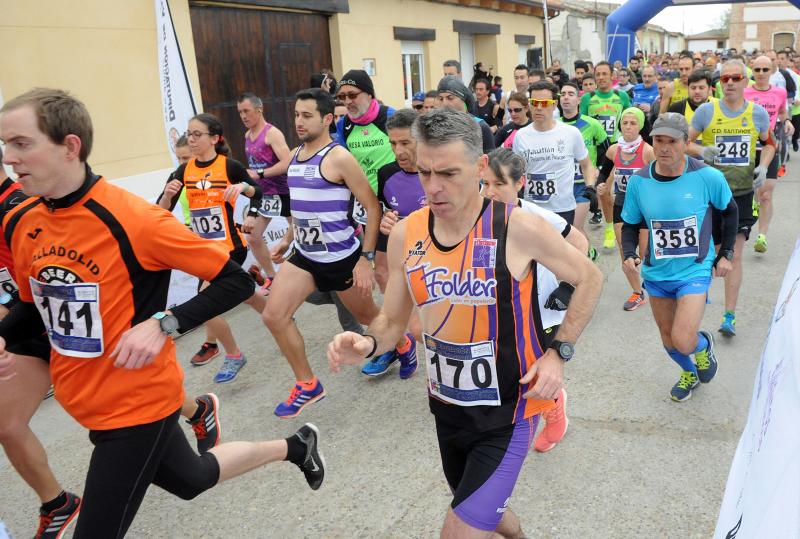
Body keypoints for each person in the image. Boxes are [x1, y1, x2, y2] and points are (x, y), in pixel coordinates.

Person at [0, 88, 326, 538]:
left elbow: (236, 281)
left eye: (21, 144)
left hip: (136, 404)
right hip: (87, 402)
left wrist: (165, 324)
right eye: (5, 145)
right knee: (191, 480)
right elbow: (35, 303)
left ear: (69, 145)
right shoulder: (19, 221)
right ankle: (296, 446)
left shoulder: (135, 220)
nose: (9, 158)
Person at [327, 108, 603, 539]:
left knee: (458, 531)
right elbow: (392, 320)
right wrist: (366, 343)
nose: (433, 187)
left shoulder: (517, 227)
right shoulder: (406, 234)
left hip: (510, 410)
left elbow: (590, 276)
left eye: (449, 174)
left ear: (478, 168)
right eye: (424, 173)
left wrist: (558, 352)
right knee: (472, 505)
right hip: (448, 408)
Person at [264, 88, 415, 418]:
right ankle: (307, 385)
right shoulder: (295, 156)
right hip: (305, 255)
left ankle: (402, 343)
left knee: (368, 317)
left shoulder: (338, 158)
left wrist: (366, 256)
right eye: (296, 115)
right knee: (273, 315)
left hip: (341, 257)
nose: (299, 122)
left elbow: (372, 208)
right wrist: (289, 237)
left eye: (307, 115)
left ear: (327, 119)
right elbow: (302, 206)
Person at [480, 147, 589, 453]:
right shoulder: (477, 214)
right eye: (485, 184)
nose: (490, 192)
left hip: (541, 311)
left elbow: (580, 243)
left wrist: (566, 288)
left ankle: (555, 415)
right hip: (499, 306)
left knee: (534, 376)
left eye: (499, 184)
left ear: (520, 183)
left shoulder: (539, 218)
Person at [621, 113, 734, 401]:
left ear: (685, 143)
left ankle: (702, 346)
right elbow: (631, 224)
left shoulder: (708, 176)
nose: (665, 148)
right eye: (659, 140)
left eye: (672, 141)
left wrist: (726, 253)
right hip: (657, 274)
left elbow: (730, 211)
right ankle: (688, 373)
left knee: (684, 339)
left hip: (694, 270)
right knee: (669, 340)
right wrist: (631, 252)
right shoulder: (639, 181)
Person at [157, 113, 267, 383]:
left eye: (197, 135)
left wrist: (250, 211)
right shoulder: (184, 171)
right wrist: (168, 195)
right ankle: (277, 316)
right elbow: (160, 211)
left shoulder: (229, 166)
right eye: (189, 134)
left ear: (214, 139)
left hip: (230, 246)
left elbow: (258, 192)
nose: (191, 140)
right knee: (242, 291)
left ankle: (233, 355)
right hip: (202, 247)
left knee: (207, 302)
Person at [687, 59, 775, 336]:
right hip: (710, 196)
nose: (730, 83)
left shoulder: (757, 113)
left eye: (736, 77)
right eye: (724, 79)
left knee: (734, 256)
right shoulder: (706, 112)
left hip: (741, 194)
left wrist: (763, 165)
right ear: (719, 83)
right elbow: (683, 142)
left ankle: (729, 316)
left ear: (745, 81)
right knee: (708, 255)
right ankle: (695, 309)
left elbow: (770, 144)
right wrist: (702, 152)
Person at [363, 108, 427, 375]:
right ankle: (397, 344)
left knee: (425, 323)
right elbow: (387, 210)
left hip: (432, 248)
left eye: (405, 143)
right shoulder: (387, 173)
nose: (398, 150)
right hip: (400, 244)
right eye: (392, 143)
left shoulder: (435, 170)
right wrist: (387, 223)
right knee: (382, 275)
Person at [513, 81, 598, 225]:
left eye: (545, 103)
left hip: (563, 209)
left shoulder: (571, 133)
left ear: (554, 104)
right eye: (534, 102)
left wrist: (590, 187)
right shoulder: (521, 136)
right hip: (532, 208)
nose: (539, 108)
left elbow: (586, 164)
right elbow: (516, 172)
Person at [596, 107, 655, 311]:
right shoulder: (614, 150)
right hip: (622, 204)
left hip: (645, 207)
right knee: (626, 251)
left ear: (640, 126)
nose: (628, 127)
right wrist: (601, 184)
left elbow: (661, 177)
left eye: (633, 123)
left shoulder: (648, 151)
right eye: (625, 123)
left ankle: (651, 280)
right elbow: (603, 172)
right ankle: (638, 293)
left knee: (645, 250)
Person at [236, 92, 291, 293]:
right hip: (265, 195)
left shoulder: (272, 134)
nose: (243, 116)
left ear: (259, 110)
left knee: (299, 232)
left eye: (246, 111)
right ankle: (272, 277)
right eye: (240, 112)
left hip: (284, 191)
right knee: (251, 236)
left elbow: (287, 163)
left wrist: (259, 173)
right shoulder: (247, 136)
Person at [744, 55, 794, 254]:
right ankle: (753, 202)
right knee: (751, 191)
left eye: (765, 69)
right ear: (752, 71)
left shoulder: (779, 92)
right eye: (757, 70)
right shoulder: (745, 92)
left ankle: (761, 236)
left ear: (772, 70)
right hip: (746, 148)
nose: (761, 74)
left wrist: (787, 121)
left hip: (769, 146)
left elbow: (781, 113)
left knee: (766, 194)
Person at [580, 61, 632, 249]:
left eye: (604, 74)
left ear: (612, 76)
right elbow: (582, 124)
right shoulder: (588, 98)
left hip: (617, 147)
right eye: (598, 74)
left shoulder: (621, 96)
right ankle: (610, 225)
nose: (601, 77)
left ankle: (613, 228)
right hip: (597, 149)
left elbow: (630, 120)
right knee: (603, 191)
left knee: (610, 188)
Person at [559, 81, 608, 255]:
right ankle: (589, 252)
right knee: (569, 229)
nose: (566, 97)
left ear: (579, 100)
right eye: (563, 94)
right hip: (563, 186)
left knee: (574, 226)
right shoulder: (556, 125)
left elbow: (607, 149)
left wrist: (599, 169)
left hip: (583, 185)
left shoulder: (591, 124)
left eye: (571, 94)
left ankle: (585, 260)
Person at [335, 69, 396, 194]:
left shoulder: (391, 116)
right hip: (362, 198)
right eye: (342, 96)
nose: (347, 101)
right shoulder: (343, 124)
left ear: (369, 94)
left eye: (352, 95)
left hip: (394, 194)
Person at [436, 76, 495, 153]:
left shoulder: (480, 127)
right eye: (440, 99)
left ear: (463, 99)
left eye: (450, 98)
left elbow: (491, 162)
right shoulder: (436, 126)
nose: (444, 103)